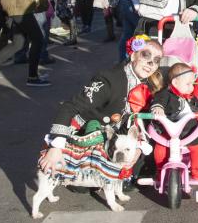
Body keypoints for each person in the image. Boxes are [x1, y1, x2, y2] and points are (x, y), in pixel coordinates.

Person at [37, 39, 164, 178]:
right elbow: (69, 107)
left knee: (140, 173)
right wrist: (56, 147)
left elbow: (141, 119)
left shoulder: (150, 84)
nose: (151, 63)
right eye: (146, 55)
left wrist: (138, 146)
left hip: (118, 136)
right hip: (89, 132)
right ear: (133, 56)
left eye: (156, 60)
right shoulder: (109, 80)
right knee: (81, 181)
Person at [151, 63, 198, 186]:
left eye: (192, 84)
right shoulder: (166, 94)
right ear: (175, 83)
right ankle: (160, 172)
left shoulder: (190, 98)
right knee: (160, 148)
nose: (191, 88)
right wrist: (158, 108)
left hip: (188, 132)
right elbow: (158, 101)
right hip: (168, 131)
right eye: (188, 84)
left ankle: (196, 173)